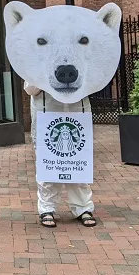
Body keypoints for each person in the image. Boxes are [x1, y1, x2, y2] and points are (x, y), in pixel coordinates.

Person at [24, 81, 96, 228]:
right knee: (48, 161)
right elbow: (30, 88)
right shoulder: (36, 64)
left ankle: (83, 207)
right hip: (47, 110)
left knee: (78, 160)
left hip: (77, 109)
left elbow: (94, 82)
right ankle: (47, 208)